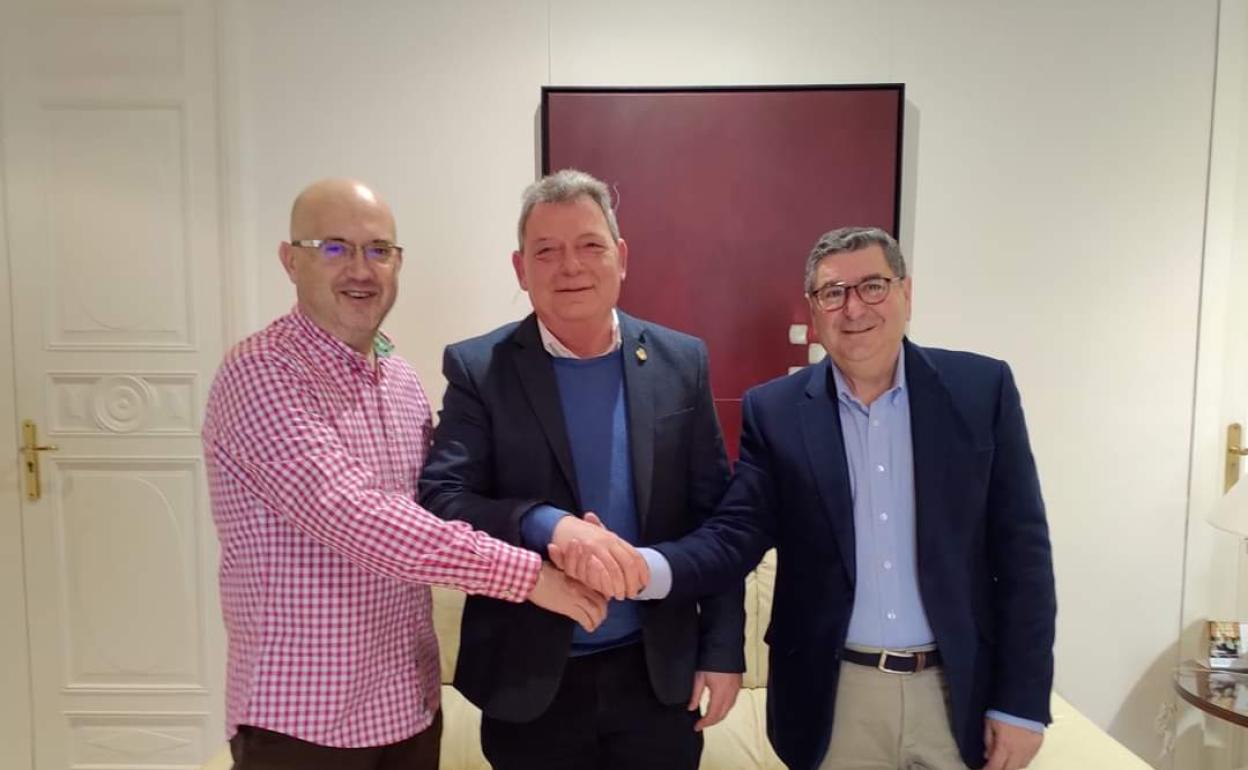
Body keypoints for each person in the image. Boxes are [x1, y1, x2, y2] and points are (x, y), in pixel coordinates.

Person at [562, 227, 1057, 770]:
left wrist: (1022, 703)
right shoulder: (776, 413)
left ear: (906, 292)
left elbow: (1024, 557)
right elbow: (733, 537)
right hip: (834, 699)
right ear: (815, 310)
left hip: (956, 691)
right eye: (833, 293)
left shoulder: (981, 390)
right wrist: (642, 568)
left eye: (872, 286)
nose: (854, 308)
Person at [201, 178, 606, 770]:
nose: (360, 269)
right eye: (334, 248)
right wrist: (532, 575)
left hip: (407, 710)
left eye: (378, 250)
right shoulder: (261, 373)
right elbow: (361, 520)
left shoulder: (399, 378)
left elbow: (443, 501)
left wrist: (559, 530)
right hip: (304, 722)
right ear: (290, 260)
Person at [418, 168, 746, 770]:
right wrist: (547, 524)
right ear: (520, 269)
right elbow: (443, 498)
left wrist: (723, 650)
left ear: (621, 257)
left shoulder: (682, 362)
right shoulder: (479, 368)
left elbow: (717, 521)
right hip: (529, 684)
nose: (570, 266)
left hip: (657, 678)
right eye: (546, 251)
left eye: (590, 245)